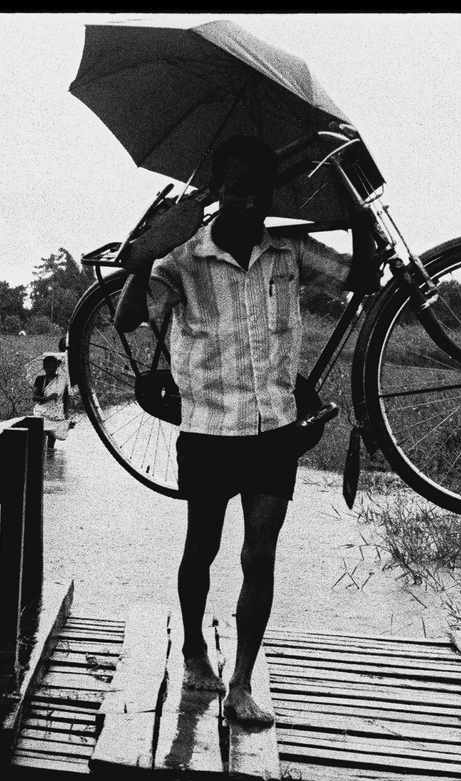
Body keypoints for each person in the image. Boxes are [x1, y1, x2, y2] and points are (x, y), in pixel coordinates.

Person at [113, 135, 326, 729]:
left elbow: (359, 276)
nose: (249, 201)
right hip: (206, 427)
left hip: (272, 428)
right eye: (235, 189)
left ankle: (241, 685)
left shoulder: (288, 252)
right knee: (201, 548)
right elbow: (129, 317)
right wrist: (142, 255)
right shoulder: (182, 254)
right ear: (216, 192)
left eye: (259, 191)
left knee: (260, 555)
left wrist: (361, 223)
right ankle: (193, 650)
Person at [30, 352, 75, 450]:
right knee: (42, 432)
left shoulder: (62, 380)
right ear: (44, 368)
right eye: (47, 367)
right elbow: (35, 397)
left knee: (53, 435)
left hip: (56, 412)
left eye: (52, 367)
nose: (50, 369)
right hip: (42, 411)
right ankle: (42, 452)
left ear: (56, 367)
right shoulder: (40, 379)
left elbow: (66, 397)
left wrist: (66, 412)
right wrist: (48, 398)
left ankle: (50, 452)